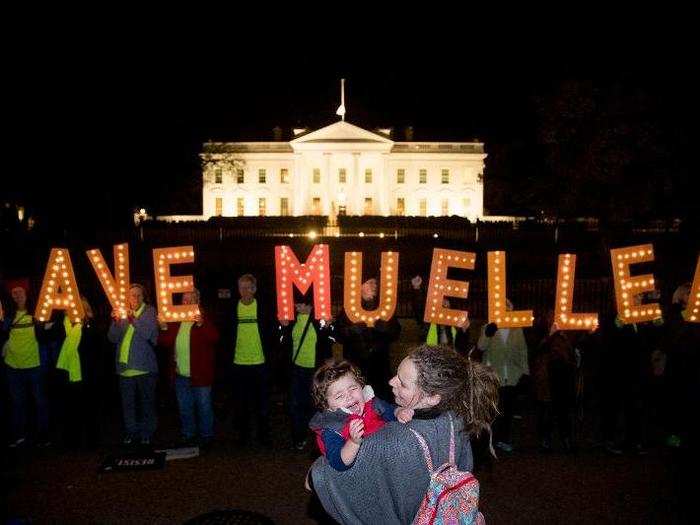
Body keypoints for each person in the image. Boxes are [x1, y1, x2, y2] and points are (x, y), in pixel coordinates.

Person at [309, 344, 500, 524]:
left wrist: (315, 473)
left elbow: (317, 478)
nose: (391, 381)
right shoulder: (455, 418)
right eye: (396, 375)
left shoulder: (388, 442)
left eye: (402, 383)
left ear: (433, 397)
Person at [309, 359, 413, 471]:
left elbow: (390, 411)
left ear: (361, 386)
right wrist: (353, 442)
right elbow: (338, 463)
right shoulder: (332, 428)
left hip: (387, 458)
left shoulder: (373, 403)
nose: (349, 396)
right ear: (327, 406)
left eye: (353, 388)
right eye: (339, 396)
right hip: (362, 473)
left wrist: (399, 412)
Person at [158, 289, 219, 449]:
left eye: (191, 299)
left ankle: (207, 436)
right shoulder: (176, 320)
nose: (187, 303)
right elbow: (165, 343)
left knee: (204, 406)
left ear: (197, 301)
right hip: (180, 374)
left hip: (201, 374)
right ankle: (188, 434)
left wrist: (202, 324)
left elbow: (214, 338)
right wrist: (164, 327)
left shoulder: (205, 317)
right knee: (185, 407)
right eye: (184, 300)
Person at [1, 279, 53, 447]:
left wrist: (47, 328)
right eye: (14, 293)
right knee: (17, 402)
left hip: (35, 364)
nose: (17, 295)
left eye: (20, 292)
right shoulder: (7, 315)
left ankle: (43, 436)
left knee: (40, 401)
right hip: (13, 365)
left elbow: (47, 336)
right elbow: (3, 334)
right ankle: (20, 435)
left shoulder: (38, 313)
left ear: (26, 293)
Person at [107, 283, 159, 446]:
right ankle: (131, 432)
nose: (135, 298)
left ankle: (146, 433)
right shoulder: (122, 313)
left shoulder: (150, 311)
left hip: (144, 368)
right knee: (128, 405)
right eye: (132, 295)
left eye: (138, 295)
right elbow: (112, 338)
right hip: (124, 369)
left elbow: (146, 333)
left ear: (144, 297)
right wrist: (116, 322)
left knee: (146, 403)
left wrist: (132, 318)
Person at [279, 300, 334, 450]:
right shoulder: (291, 320)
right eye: (296, 304)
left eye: (299, 303)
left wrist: (328, 327)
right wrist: (282, 328)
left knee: (316, 405)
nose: (296, 306)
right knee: (296, 404)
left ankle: (318, 441)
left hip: (316, 370)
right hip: (297, 369)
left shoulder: (319, 320)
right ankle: (299, 437)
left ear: (309, 304)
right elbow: (283, 343)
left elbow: (328, 341)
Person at [476, 299, 529, 453]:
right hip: (494, 378)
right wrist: (488, 333)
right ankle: (490, 441)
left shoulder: (516, 329)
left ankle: (504, 440)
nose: (505, 311)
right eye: (502, 308)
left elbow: (522, 351)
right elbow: (481, 346)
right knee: (493, 412)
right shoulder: (488, 327)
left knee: (508, 411)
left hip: (512, 377)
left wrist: (525, 372)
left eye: (508, 308)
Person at [229, 274, 276, 447]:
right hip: (238, 364)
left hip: (260, 363)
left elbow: (271, 332)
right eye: (242, 287)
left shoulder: (263, 307)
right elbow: (227, 335)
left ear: (255, 289)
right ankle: (243, 437)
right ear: (238, 289)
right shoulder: (232, 308)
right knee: (241, 404)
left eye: (249, 287)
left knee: (262, 403)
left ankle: (264, 437)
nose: (245, 291)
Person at [335, 277, 401, 399]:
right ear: (360, 286)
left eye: (375, 282)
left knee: (382, 402)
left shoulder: (384, 307)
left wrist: (387, 328)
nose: (374, 285)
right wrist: (351, 331)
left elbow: (396, 333)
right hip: (356, 366)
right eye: (369, 282)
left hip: (380, 367)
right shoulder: (349, 309)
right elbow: (338, 335)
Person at [54, 296, 103, 449]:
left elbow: (97, 346)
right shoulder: (60, 325)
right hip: (67, 373)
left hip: (87, 373)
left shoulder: (92, 326)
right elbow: (44, 337)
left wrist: (84, 323)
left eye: (80, 307)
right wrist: (42, 325)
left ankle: (92, 442)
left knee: (90, 410)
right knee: (69, 410)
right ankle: (71, 442)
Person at [410, 275, 472, 354]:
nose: (443, 302)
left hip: (450, 358)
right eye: (440, 299)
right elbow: (418, 308)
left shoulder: (455, 320)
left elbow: (462, 345)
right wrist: (417, 289)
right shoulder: (429, 318)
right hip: (430, 357)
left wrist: (464, 330)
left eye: (445, 299)